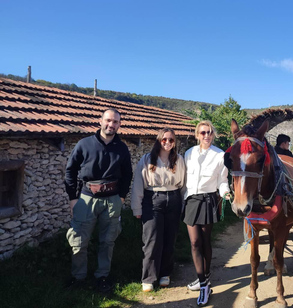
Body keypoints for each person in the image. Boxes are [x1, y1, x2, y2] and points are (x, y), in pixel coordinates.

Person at [64, 108, 133, 292]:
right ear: (100, 121)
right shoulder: (84, 144)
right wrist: (72, 198)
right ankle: (78, 277)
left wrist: (122, 197)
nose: (111, 124)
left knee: (108, 240)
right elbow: (71, 170)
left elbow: (127, 174)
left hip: (112, 200)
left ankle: (102, 277)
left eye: (116, 122)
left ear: (119, 125)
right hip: (86, 199)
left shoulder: (122, 148)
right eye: (108, 120)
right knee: (79, 239)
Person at [131, 128, 186, 292]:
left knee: (170, 239)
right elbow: (138, 185)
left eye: (171, 140)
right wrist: (136, 208)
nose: (168, 143)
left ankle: (165, 273)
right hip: (152, 199)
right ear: (159, 141)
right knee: (152, 240)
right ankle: (148, 278)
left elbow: (183, 184)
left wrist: (183, 206)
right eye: (164, 140)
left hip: (174, 199)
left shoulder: (179, 160)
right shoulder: (147, 159)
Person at [183, 120, 231, 307]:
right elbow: (185, 177)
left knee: (204, 241)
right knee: (194, 242)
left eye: (210, 132)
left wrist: (225, 192)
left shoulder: (220, 155)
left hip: (208, 200)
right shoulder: (189, 153)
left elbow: (222, 180)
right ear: (197, 135)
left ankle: (205, 278)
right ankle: (203, 282)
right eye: (203, 132)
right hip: (191, 200)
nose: (206, 136)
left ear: (214, 134)